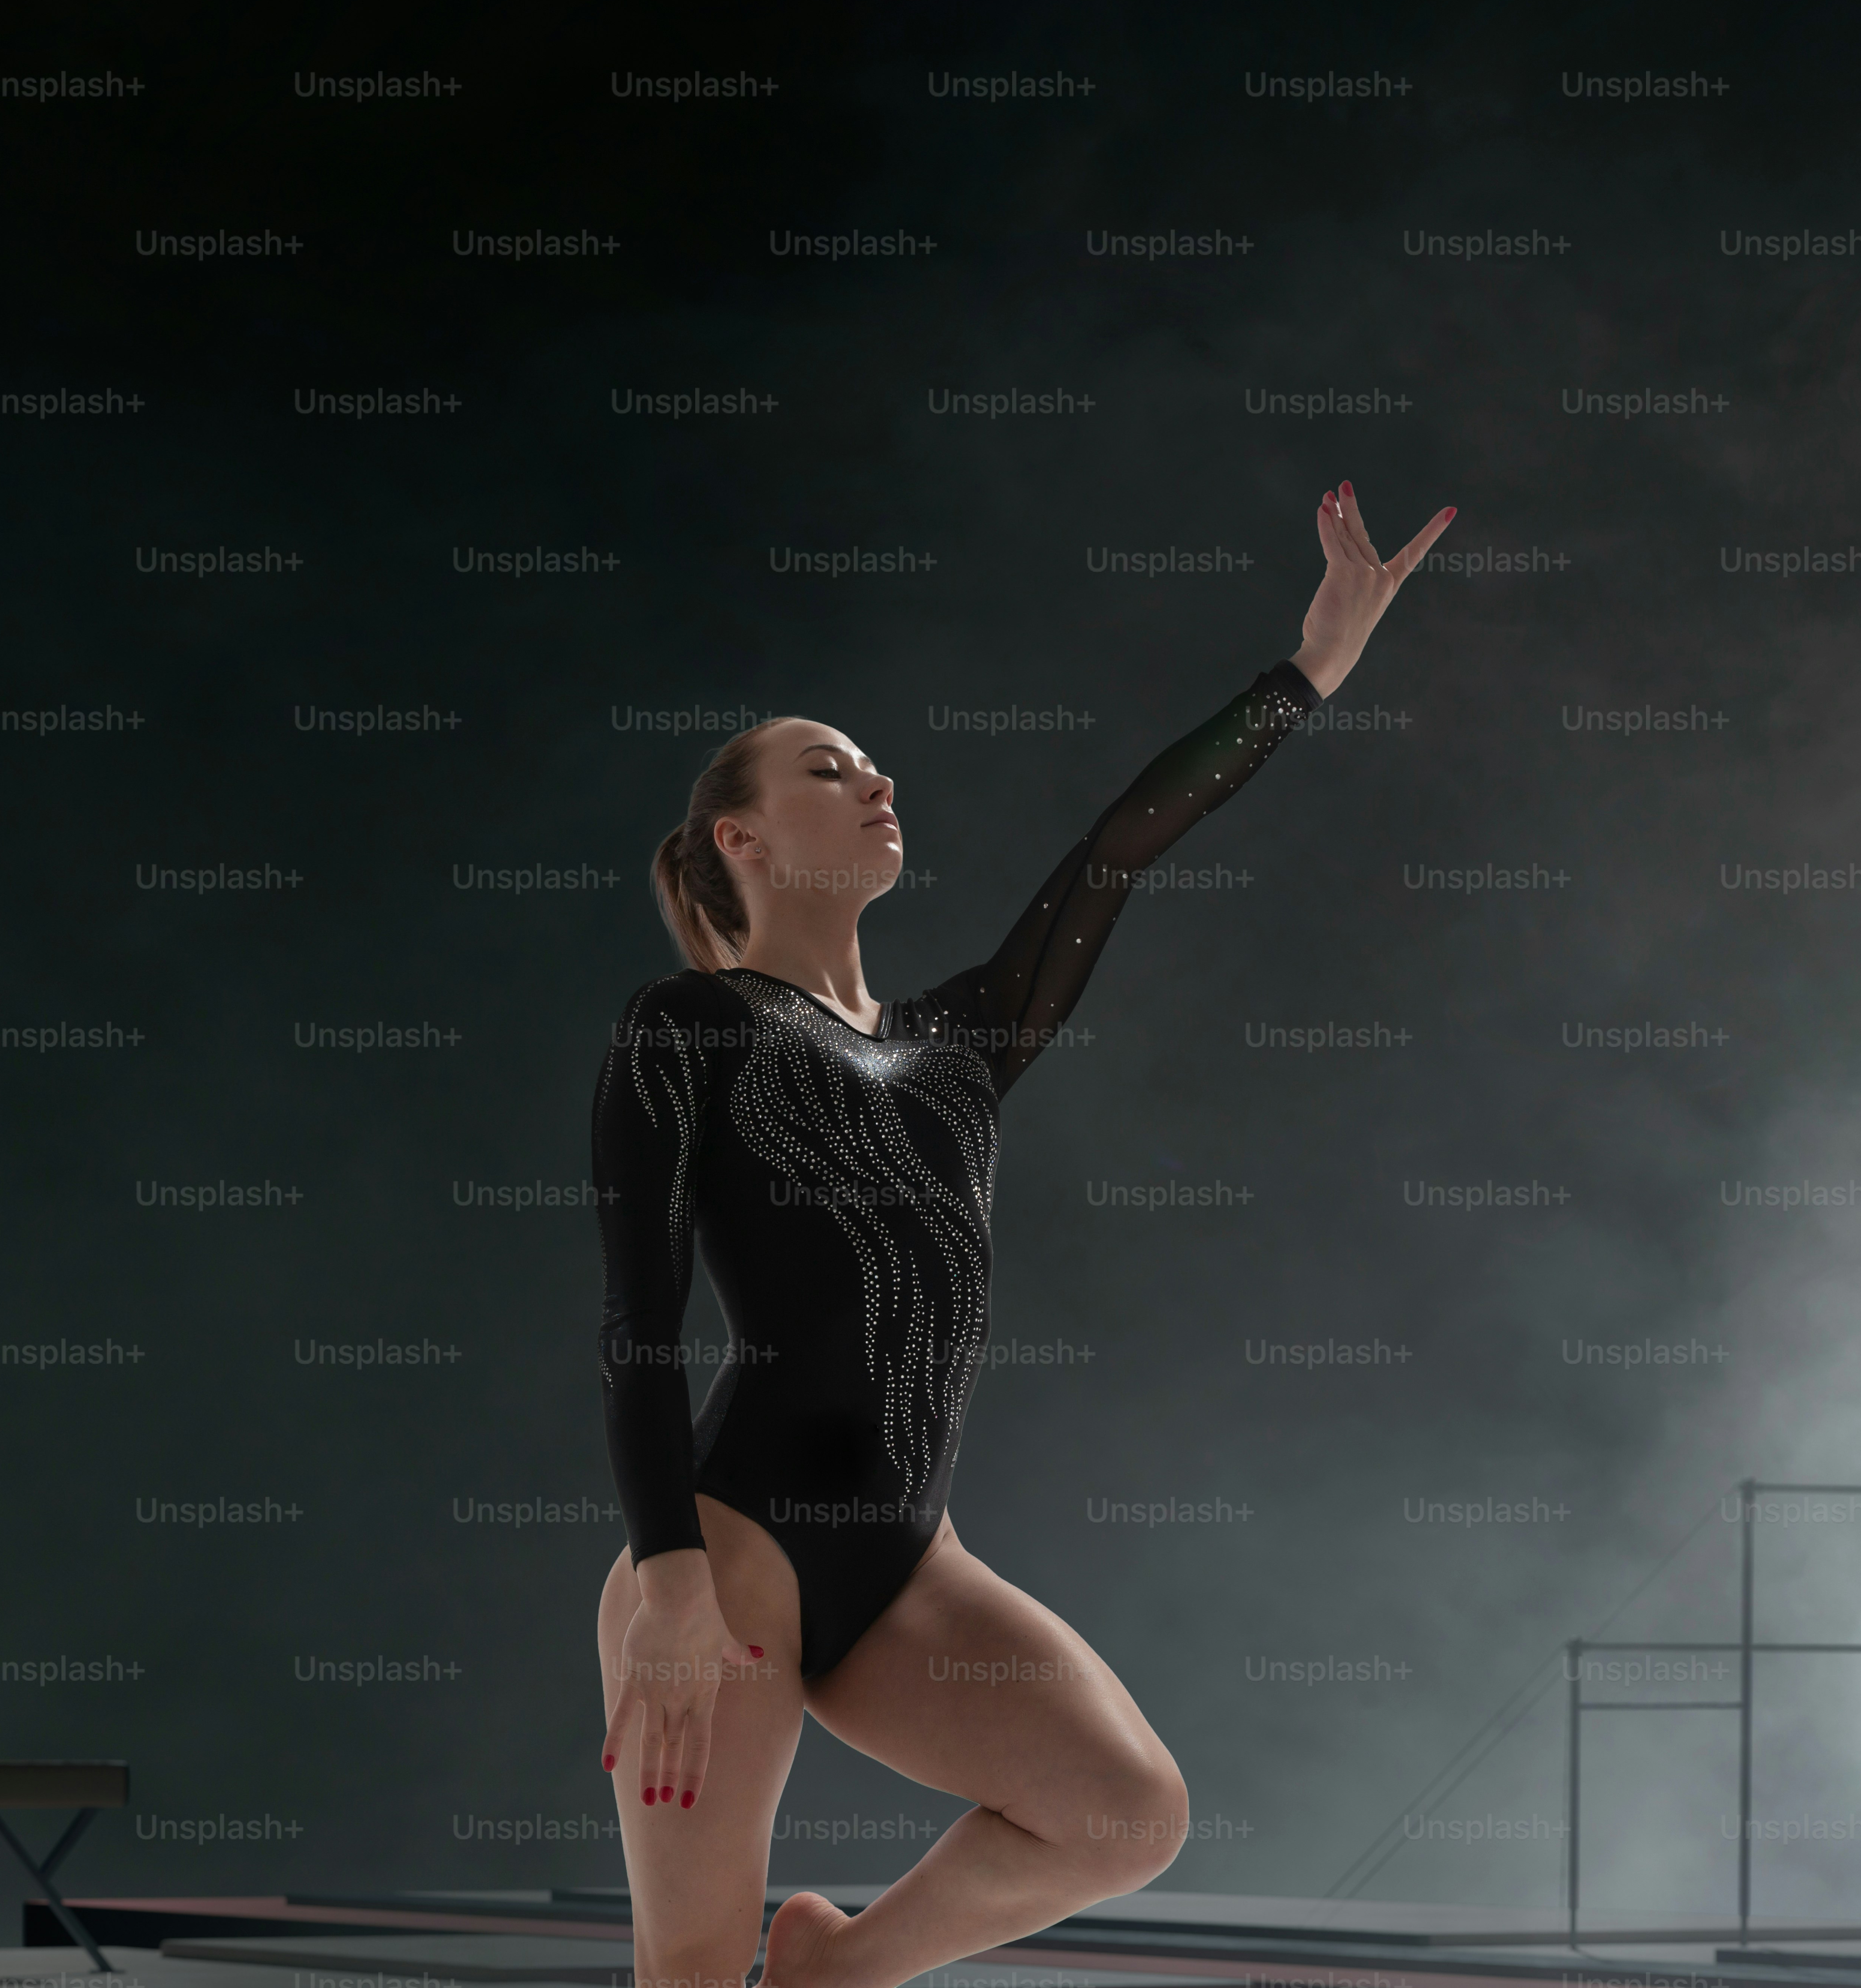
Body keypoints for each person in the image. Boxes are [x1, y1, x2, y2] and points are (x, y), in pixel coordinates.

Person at [586, 484, 1453, 1988]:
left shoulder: (961, 1043)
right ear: (738, 836)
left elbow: (1117, 847)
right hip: (732, 1561)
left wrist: (1305, 673)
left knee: (1122, 1812)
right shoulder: (688, 1027)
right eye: (827, 768)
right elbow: (636, 1320)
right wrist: (664, 1586)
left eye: (871, 760)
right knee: (687, 1969)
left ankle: (838, 1972)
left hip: (910, 1559)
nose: (875, 779)